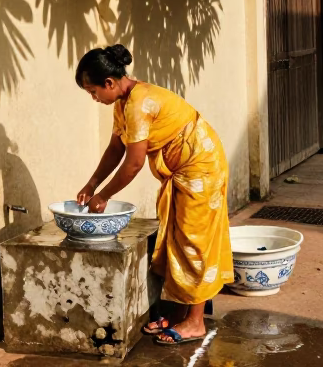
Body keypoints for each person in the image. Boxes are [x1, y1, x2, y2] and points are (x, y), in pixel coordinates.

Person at [75, 44, 233, 347]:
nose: (94, 98)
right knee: (176, 237)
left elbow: (133, 164)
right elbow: (116, 149)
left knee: (193, 242)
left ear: (109, 83)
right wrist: (91, 185)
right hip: (183, 170)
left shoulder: (139, 103)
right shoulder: (123, 104)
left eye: (92, 91)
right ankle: (178, 315)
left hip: (201, 168)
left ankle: (195, 322)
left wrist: (104, 196)